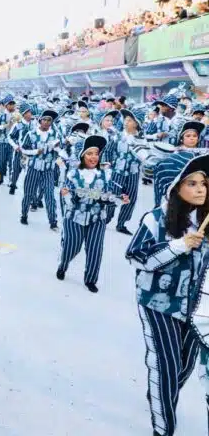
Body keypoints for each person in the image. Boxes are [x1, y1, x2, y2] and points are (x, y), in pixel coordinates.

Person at [125, 152, 209, 436]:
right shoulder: (156, 219)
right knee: (166, 367)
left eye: (204, 184)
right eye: (192, 183)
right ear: (175, 187)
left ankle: (161, 394)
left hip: (196, 309)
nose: (200, 189)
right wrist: (179, 245)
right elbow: (137, 257)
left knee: (182, 367)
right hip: (158, 304)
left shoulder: (205, 220)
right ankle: (164, 430)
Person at [57, 135, 128, 293]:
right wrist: (68, 195)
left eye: (96, 153)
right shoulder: (73, 174)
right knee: (71, 246)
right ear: (83, 155)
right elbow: (68, 196)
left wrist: (119, 200)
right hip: (74, 216)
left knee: (95, 249)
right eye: (90, 153)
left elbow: (108, 196)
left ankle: (90, 279)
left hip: (97, 218)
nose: (94, 157)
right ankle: (63, 265)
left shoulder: (105, 174)